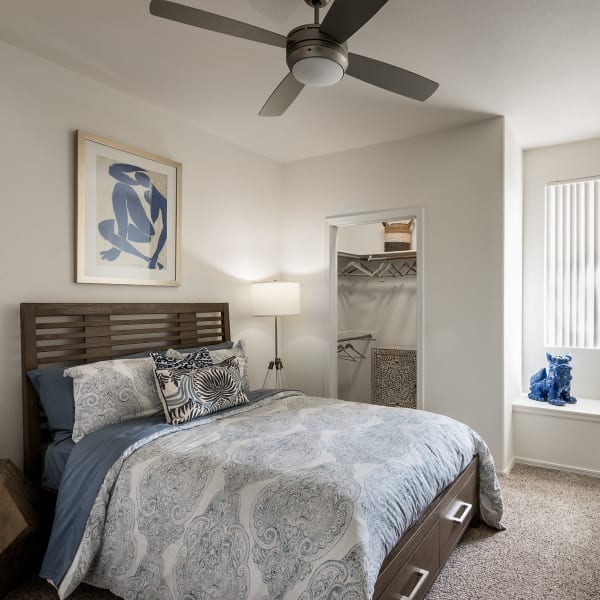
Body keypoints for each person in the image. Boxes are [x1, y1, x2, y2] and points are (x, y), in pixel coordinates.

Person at [97, 163, 167, 269]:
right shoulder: (136, 189)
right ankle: (145, 258)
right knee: (104, 227)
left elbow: (165, 230)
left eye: (139, 177)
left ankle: (121, 242)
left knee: (120, 188)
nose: (135, 180)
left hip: (147, 233)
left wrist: (156, 256)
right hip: (133, 230)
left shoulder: (160, 199)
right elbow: (113, 170)